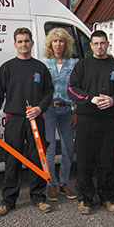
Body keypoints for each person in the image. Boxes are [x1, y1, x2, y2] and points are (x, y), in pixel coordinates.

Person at [0, 27, 54, 217]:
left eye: (26, 41)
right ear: (15, 44)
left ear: (31, 43)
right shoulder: (7, 67)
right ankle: (8, 201)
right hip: (14, 120)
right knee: (12, 160)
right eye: (20, 41)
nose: (23, 44)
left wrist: (40, 108)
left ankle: (39, 197)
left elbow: (49, 92)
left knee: (37, 158)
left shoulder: (40, 68)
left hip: (35, 119)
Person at [68, 30, 114, 215]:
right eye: (95, 43)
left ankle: (108, 198)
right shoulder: (82, 65)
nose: (99, 47)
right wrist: (90, 99)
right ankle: (85, 199)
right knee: (85, 159)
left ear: (107, 44)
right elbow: (72, 89)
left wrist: (113, 100)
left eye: (102, 43)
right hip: (86, 119)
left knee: (107, 159)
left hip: (108, 120)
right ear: (90, 45)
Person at [41, 27, 78, 201]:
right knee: (49, 149)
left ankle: (64, 183)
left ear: (66, 44)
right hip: (48, 109)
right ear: (50, 43)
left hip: (66, 109)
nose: (58, 44)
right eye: (55, 41)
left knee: (68, 149)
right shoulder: (44, 63)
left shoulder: (73, 64)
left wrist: (77, 108)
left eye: (61, 41)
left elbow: (78, 87)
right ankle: (51, 184)